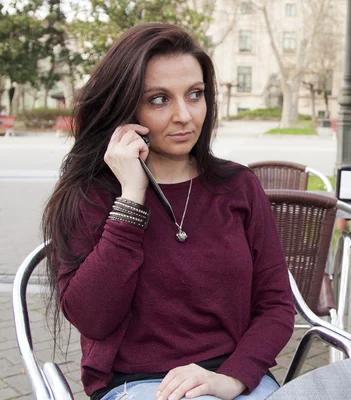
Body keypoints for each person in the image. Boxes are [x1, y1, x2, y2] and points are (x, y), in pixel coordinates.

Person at [41, 23, 295, 400]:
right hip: (139, 384)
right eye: (159, 99)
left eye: (195, 94)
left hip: (233, 379)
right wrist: (130, 198)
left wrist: (233, 378)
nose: (184, 116)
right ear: (125, 106)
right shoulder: (93, 195)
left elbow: (276, 305)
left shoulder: (239, 187)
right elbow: (93, 319)